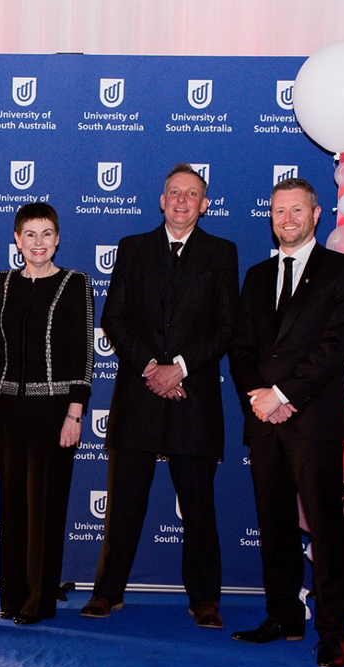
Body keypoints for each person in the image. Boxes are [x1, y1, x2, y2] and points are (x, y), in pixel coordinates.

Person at [81, 163, 238, 629]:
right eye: (174, 192)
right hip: (139, 396)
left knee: (199, 510)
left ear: (204, 204)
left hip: (194, 399)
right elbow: (115, 317)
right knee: (125, 506)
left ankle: (205, 599)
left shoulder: (221, 253)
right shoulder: (133, 249)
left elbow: (226, 326)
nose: (182, 201)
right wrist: (152, 368)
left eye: (192, 194)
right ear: (161, 199)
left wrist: (180, 368)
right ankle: (108, 593)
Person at [228, 177, 344, 667]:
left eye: (296, 210)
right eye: (278, 211)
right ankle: (283, 616)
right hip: (265, 422)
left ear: (316, 213)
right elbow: (240, 348)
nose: (286, 219)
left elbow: (337, 346)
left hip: (314, 421)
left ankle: (332, 634)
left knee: (325, 532)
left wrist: (283, 395)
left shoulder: (343, 270)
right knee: (275, 526)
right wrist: (262, 399)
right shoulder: (256, 277)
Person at [0, 202, 93, 626]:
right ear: (17, 239)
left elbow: (84, 354)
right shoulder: (3, 284)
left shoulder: (75, 283)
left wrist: (75, 414)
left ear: (58, 238)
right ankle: (12, 597)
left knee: (45, 509)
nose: (38, 243)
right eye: (29, 234)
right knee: (12, 507)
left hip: (54, 413)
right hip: (8, 410)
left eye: (46, 234)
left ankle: (39, 600)